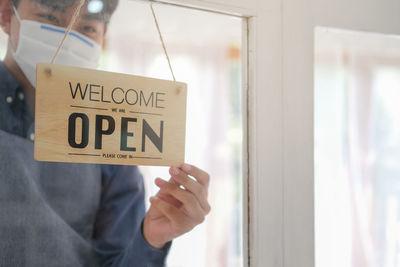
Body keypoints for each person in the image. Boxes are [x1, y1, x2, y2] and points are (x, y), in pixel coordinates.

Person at [0, 0, 211, 266]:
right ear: (7, 15)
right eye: (51, 19)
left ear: (104, 36)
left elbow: (117, 259)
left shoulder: (113, 132)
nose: (68, 37)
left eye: (87, 26)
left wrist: (152, 238)